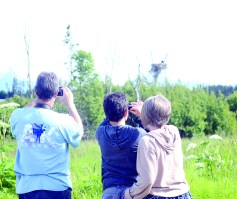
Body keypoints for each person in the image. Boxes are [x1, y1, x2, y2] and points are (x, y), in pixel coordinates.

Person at [9, 71, 84, 199]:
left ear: (35, 90)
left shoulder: (17, 116)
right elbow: (78, 134)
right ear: (56, 93)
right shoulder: (63, 120)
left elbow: (22, 114)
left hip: (27, 187)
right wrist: (70, 104)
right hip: (57, 187)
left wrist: (37, 97)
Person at [125, 94, 192, 199]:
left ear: (145, 116)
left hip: (159, 195)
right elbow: (157, 129)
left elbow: (147, 181)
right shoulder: (173, 132)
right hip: (183, 193)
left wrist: (128, 194)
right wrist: (146, 112)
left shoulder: (146, 141)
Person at [95, 92, 147, 199]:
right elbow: (152, 135)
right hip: (132, 191)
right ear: (126, 113)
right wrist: (143, 115)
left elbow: (106, 121)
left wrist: (112, 111)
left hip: (109, 191)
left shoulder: (100, 132)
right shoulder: (138, 134)